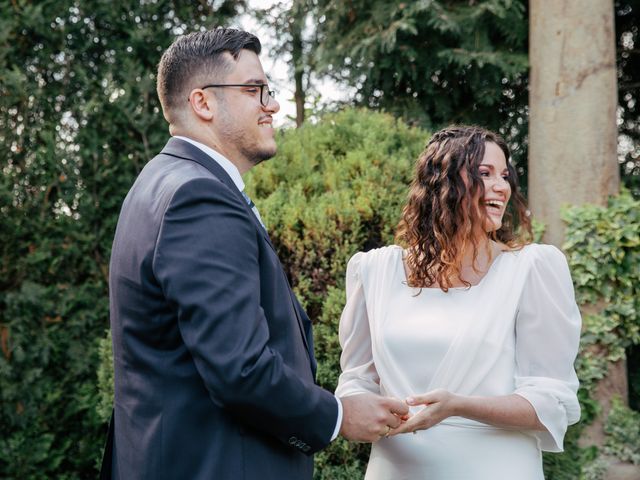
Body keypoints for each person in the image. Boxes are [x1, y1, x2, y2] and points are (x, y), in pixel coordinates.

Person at [101, 28, 408, 480]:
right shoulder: (198, 196)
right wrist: (339, 416)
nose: (272, 105)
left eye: (269, 89)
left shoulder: (158, 182)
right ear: (203, 102)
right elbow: (241, 369)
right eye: (254, 90)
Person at [335, 125, 582, 479]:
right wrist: (356, 407)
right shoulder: (374, 271)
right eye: (485, 174)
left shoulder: (532, 269)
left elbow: (551, 402)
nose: (502, 186)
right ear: (443, 185)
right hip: (395, 469)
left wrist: (458, 406)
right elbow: (356, 380)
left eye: (505, 175)